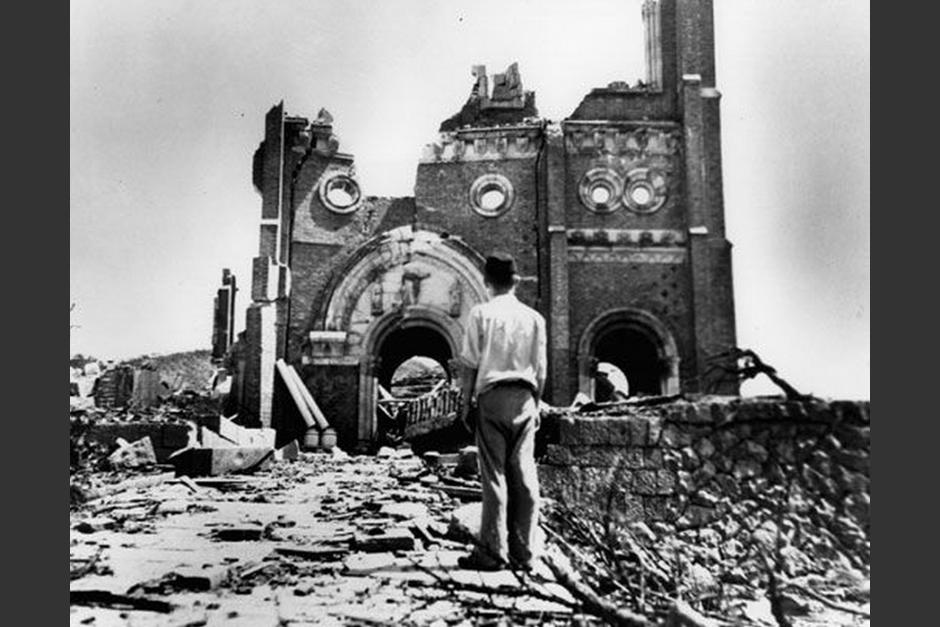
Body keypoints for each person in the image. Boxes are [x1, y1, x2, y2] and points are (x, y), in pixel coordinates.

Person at [456, 252, 547, 571]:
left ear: (486, 281)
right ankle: (525, 553)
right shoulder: (535, 318)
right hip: (525, 397)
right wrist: (535, 405)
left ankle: (492, 552)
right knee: (524, 474)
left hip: (492, 398)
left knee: (493, 475)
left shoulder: (481, 314)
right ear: (516, 281)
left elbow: (468, 364)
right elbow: (541, 370)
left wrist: (465, 403)